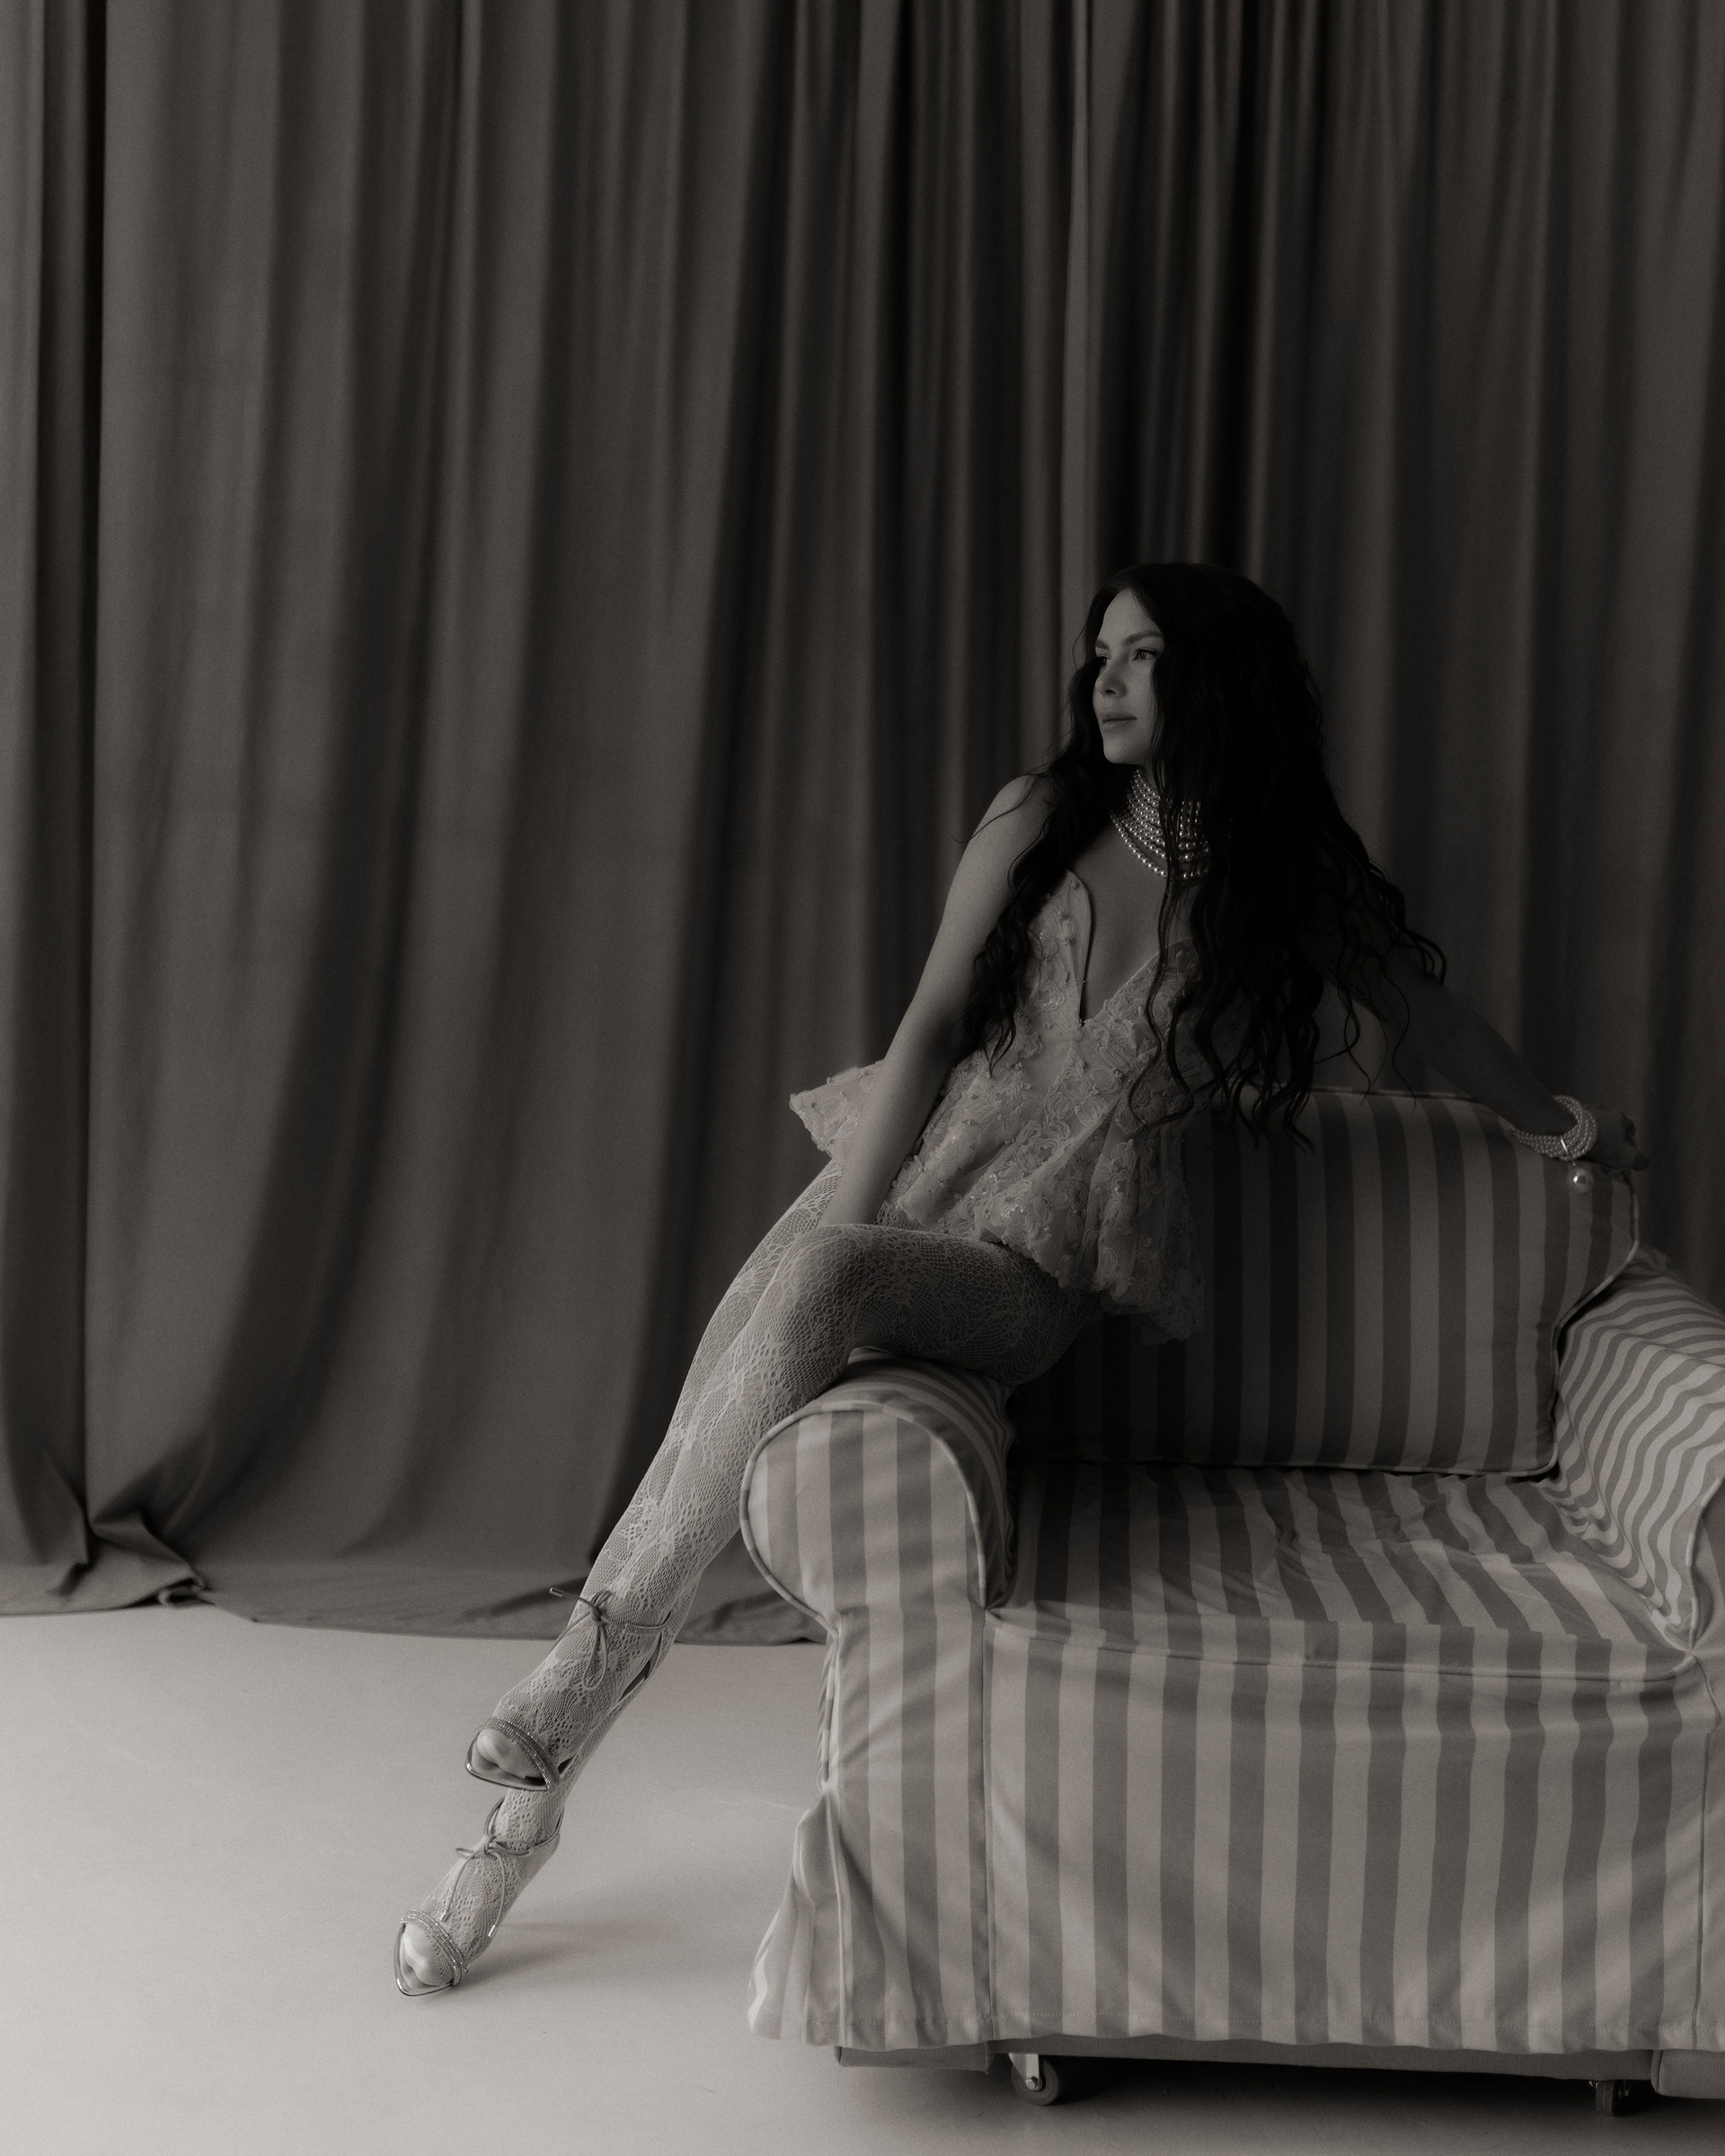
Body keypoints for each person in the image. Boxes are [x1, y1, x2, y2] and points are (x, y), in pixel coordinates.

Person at [394, 561, 1646, 1993]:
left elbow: (1433, 1028)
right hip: (891, 1202)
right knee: (702, 1430)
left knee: (803, 1305)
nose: (1105, 679)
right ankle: (517, 1823)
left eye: (1142, 655)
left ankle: (566, 1690)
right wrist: (844, 1229)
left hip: (1030, 1271)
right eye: (1099, 653)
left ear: (1217, 677)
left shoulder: (1278, 878)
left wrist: (1565, 1128)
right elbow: (931, 1024)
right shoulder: (1038, 818)